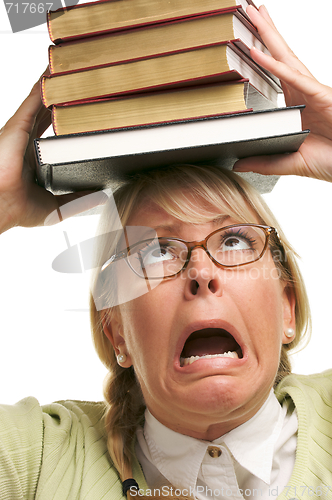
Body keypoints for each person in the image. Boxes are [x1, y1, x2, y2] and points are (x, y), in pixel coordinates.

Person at [1, 4, 332, 499]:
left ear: (288, 306)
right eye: (155, 252)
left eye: (234, 240)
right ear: (116, 332)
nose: (201, 272)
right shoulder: (37, 457)